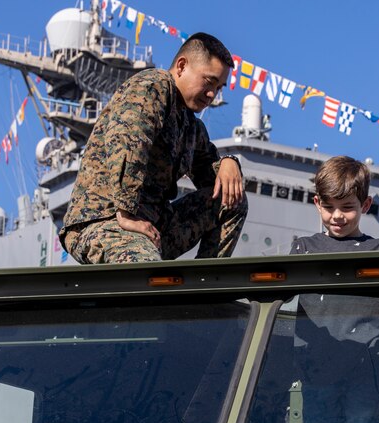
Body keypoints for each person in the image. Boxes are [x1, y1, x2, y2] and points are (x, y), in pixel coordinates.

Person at [59, 32, 247, 264]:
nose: (212, 94)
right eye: (209, 82)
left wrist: (229, 162)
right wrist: (127, 213)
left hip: (152, 228)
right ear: (181, 66)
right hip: (105, 222)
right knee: (148, 273)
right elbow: (128, 140)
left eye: (219, 88)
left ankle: (206, 283)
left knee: (232, 200)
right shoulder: (152, 86)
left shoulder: (191, 127)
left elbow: (212, 178)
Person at [289, 156, 379, 423]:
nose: (337, 216)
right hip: (317, 367)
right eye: (329, 207)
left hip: (366, 367)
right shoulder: (303, 248)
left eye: (347, 207)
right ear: (317, 202)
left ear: (366, 204)